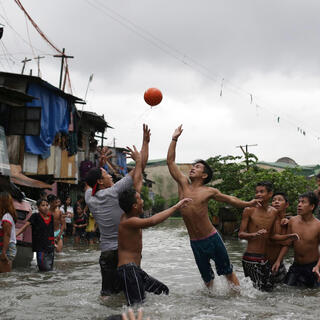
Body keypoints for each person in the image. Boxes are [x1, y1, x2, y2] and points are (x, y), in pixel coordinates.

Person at [167, 125, 261, 289]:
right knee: (207, 279)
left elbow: (230, 199)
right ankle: (210, 307)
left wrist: (248, 203)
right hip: (195, 242)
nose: (192, 168)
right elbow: (170, 161)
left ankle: (238, 300)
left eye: (197, 167)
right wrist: (174, 139)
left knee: (227, 273)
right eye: (193, 166)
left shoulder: (208, 191)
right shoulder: (183, 184)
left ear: (204, 175)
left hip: (211, 238)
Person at [117, 147, 192, 305]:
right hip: (129, 270)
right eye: (140, 200)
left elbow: (137, 181)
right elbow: (152, 221)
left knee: (162, 291)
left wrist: (139, 160)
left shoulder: (131, 213)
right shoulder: (129, 221)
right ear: (134, 206)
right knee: (137, 307)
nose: (142, 200)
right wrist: (176, 206)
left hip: (135, 270)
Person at [85, 124, 150, 298]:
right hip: (123, 252)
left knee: (106, 294)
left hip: (105, 252)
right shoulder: (114, 192)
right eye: (105, 173)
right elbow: (139, 169)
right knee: (127, 294)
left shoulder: (88, 197)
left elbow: (89, 182)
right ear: (100, 181)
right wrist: (144, 144)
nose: (109, 174)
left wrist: (100, 164)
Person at [239, 183, 298, 291]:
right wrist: (254, 234)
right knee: (258, 292)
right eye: (257, 192)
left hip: (264, 259)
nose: (258, 194)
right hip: (251, 257)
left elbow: (273, 236)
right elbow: (240, 234)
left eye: (262, 192)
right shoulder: (249, 210)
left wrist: (288, 236)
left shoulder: (274, 212)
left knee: (269, 291)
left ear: (270, 193)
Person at [272, 192, 320, 288]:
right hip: (296, 265)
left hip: (313, 267)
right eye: (299, 202)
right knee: (287, 289)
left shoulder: (318, 225)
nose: (299, 205)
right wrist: (278, 260)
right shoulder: (292, 221)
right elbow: (287, 243)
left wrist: (318, 266)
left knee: (313, 293)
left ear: (312, 206)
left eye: (303, 202)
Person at [16, 199, 55, 271]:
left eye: (47, 205)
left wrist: (54, 242)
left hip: (50, 247)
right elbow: (24, 227)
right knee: (43, 269)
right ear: (38, 207)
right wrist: (14, 235)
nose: (46, 207)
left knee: (49, 270)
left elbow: (51, 231)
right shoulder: (35, 216)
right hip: (40, 248)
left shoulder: (51, 217)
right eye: (43, 205)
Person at [0, 192, 17, 273]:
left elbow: (7, 234)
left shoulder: (6, 217)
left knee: (5, 276)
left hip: (6, 248)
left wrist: (3, 252)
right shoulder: (5, 216)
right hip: (6, 247)